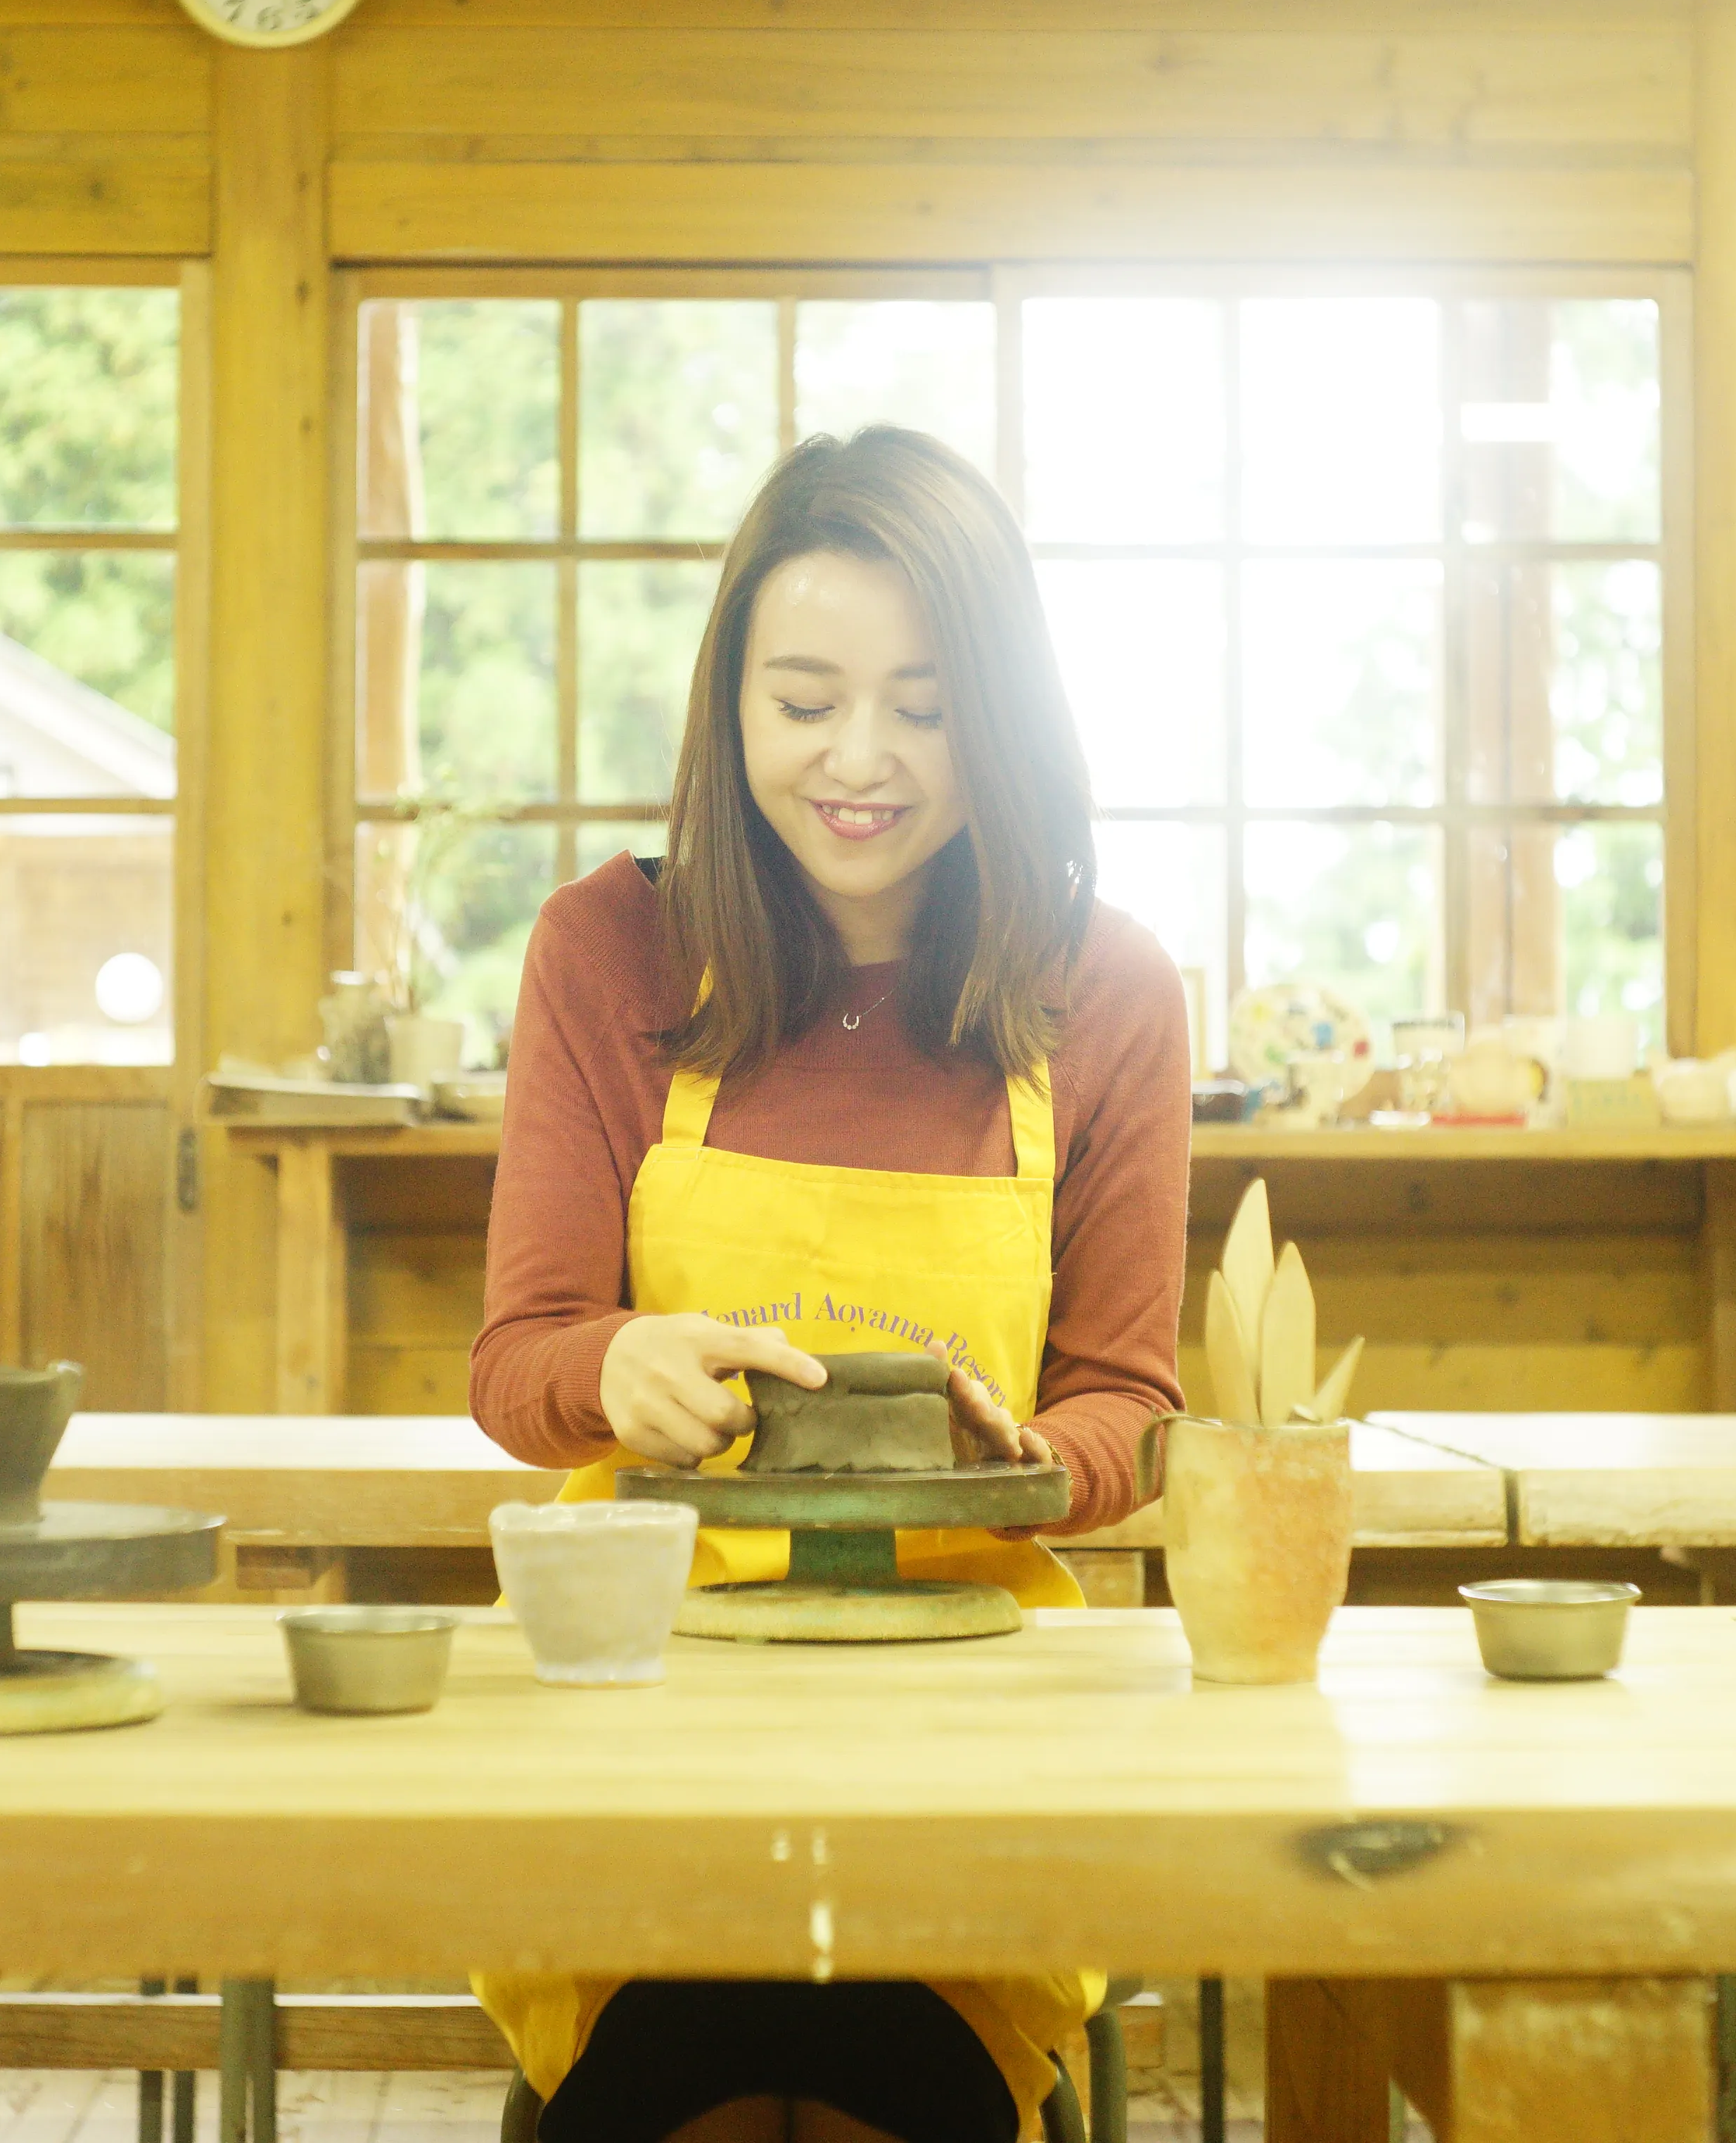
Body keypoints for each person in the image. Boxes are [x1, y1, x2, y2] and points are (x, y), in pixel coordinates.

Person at [467, 426, 1192, 2143]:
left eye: (925, 710)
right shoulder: (609, 947)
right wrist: (616, 1366)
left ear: (998, 718)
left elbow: (1133, 1408)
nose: (859, 759)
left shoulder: (1106, 987)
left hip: (977, 1693)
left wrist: (1020, 1454)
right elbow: (520, 1358)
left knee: (894, 2085)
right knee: (677, 2079)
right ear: (730, 706)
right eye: (805, 701)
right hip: (646, 1689)